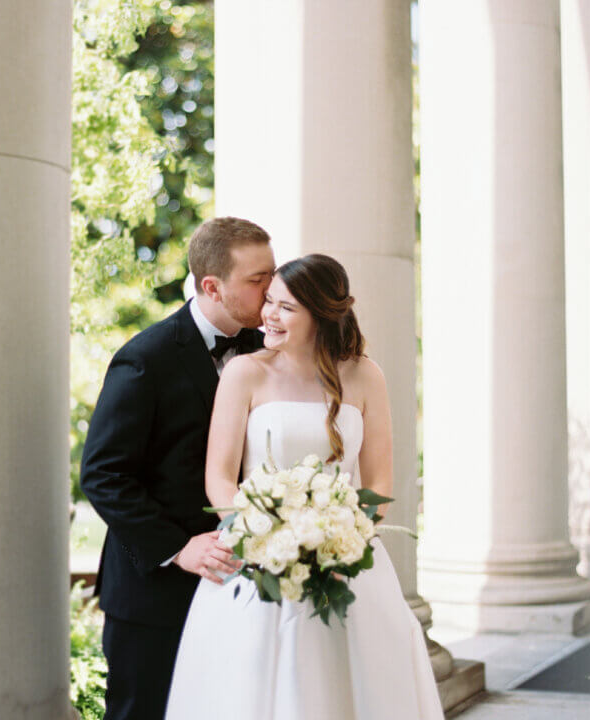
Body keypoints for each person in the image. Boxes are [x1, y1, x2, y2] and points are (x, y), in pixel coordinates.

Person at [165, 253, 445, 720]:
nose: (268, 315)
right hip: (255, 557)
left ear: (320, 314)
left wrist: (343, 538)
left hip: (345, 559)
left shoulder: (364, 375)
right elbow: (219, 477)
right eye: (269, 302)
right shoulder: (245, 373)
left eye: (286, 307)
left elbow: (377, 482)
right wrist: (265, 533)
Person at [79, 217, 276, 720]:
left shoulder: (268, 353)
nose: (272, 288)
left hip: (240, 587)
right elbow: (103, 474)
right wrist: (178, 547)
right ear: (212, 286)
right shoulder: (145, 358)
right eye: (258, 279)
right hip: (153, 594)